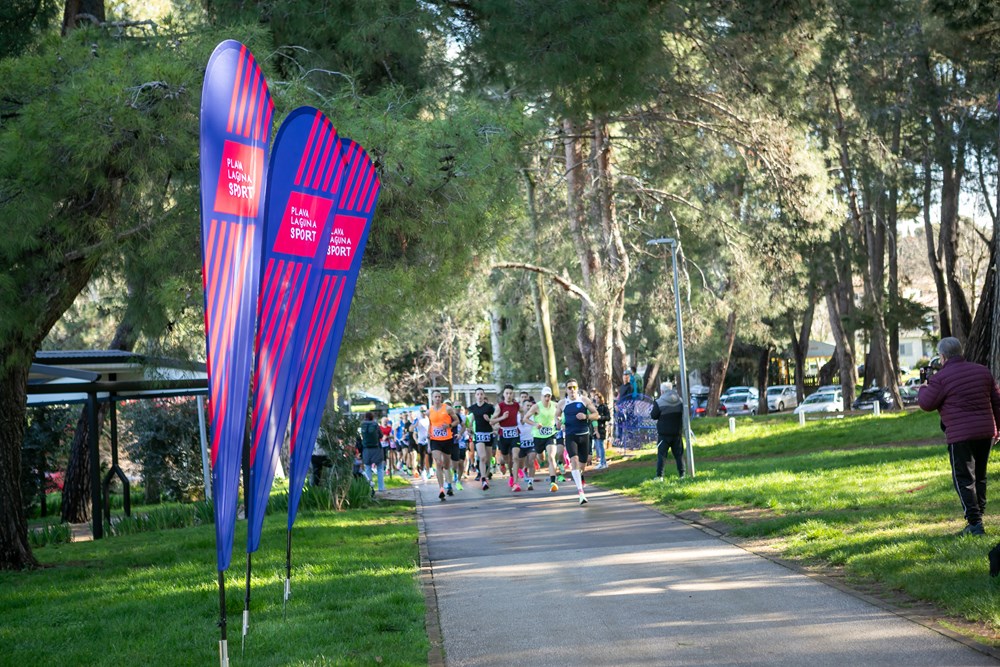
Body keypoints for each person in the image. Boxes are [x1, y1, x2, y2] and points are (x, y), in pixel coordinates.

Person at [918, 337, 1000, 535]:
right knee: (980, 476)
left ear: (943, 356)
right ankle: (978, 517)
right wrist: (998, 428)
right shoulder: (982, 371)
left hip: (960, 435)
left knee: (963, 478)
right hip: (985, 432)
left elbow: (927, 404)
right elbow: (997, 401)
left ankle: (974, 523)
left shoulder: (941, 378)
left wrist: (922, 387)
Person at [556, 379, 600, 505]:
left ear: (577, 388)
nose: (572, 390)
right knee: (574, 461)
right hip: (570, 436)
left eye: (574, 387)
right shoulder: (562, 403)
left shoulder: (584, 400)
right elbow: (557, 416)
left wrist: (586, 417)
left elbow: (596, 414)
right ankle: (581, 493)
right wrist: (558, 422)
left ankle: (580, 479)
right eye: (569, 387)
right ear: (566, 389)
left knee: (582, 465)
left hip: (584, 436)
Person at [524, 386, 559, 492]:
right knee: (541, 458)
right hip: (538, 436)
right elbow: (525, 418)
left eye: (549, 396)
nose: (547, 398)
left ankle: (553, 482)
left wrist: (559, 420)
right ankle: (540, 458)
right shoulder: (536, 407)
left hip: (550, 434)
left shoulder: (555, 406)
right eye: (545, 396)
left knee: (551, 457)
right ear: (541, 396)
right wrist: (535, 424)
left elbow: (560, 415)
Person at [428, 391, 461, 501]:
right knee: (438, 463)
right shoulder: (430, 411)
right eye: (435, 397)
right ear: (432, 398)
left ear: (441, 398)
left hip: (447, 440)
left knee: (447, 465)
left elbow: (457, 420)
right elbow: (430, 424)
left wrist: (449, 425)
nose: (437, 398)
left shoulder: (447, 409)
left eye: (439, 397)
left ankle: (449, 485)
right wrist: (429, 434)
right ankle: (441, 488)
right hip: (435, 440)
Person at [650, 382, 685, 480]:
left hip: (664, 434)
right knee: (679, 455)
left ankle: (660, 476)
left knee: (661, 455)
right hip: (677, 432)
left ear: (662, 391)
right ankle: (682, 475)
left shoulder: (659, 402)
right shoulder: (680, 401)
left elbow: (653, 415)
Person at [492, 384, 522, 492]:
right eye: (507, 393)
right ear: (504, 395)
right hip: (503, 435)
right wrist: (502, 417)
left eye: (510, 393)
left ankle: (515, 483)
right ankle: (508, 471)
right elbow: (492, 421)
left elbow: (523, 413)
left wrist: (523, 419)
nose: (509, 395)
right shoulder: (500, 406)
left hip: (515, 434)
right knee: (506, 458)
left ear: (513, 394)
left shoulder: (517, 405)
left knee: (515, 457)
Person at [468, 388, 496, 490]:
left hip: (488, 434)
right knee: (482, 457)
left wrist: (490, 420)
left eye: (481, 394)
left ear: (484, 396)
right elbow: (471, 420)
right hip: (478, 435)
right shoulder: (473, 408)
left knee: (488, 460)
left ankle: (486, 477)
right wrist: (469, 428)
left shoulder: (489, 407)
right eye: (478, 394)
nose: (479, 396)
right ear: (475, 396)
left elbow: (495, 420)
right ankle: (483, 479)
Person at [359, 412, 385, 492]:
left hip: (366, 449)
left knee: (367, 468)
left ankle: (369, 488)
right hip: (376, 448)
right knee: (380, 468)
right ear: (372, 417)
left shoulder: (362, 425)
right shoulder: (375, 424)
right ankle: (381, 488)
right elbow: (381, 435)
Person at [518, 396, 537, 490]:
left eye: (530, 405)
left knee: (531, 461)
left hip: (531, 442)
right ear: (522, 406)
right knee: (520, 464)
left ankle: (530, 482)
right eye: (527, 405)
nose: (529, 407)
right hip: (520, 443)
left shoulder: (534, 416)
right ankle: (523, 470)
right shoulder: (517, 416)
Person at [591, 390, 611, 469]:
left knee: (600, 445)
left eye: (597, 399)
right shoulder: (594, 407)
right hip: (595, 428)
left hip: (601, 428)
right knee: (597, 446)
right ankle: (601, 462)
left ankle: (603, 462)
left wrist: (600, 417)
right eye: (595, 399)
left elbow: (608, 417)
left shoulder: (604, 407)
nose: (596, 400)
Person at [411, 406, 431, 481]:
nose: (423, 413)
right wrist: (414, 425)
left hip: (428, 439)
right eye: (422, 411)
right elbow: (411, 429)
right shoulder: (418, 419)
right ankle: (423, 471)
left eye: (424, 411)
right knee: (422, 457)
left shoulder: (429, 418)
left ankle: (430, 470)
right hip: (420, 440)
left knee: (429, 454)